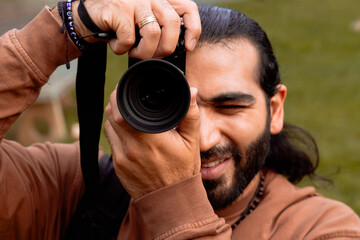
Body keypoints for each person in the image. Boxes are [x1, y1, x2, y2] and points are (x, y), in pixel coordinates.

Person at [0, 0, 359, 240]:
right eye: (166, 103)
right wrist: (60, 29)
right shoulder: (72, 190)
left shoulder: (320, 228)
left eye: (230, 107)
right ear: (126, 103)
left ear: (275, 109)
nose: (201, 139)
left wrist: (169, 199)